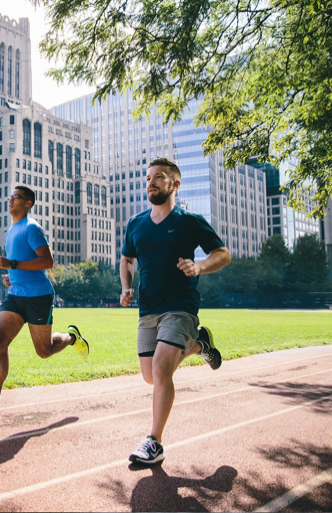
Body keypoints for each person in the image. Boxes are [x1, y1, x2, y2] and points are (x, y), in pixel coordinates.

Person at [121, 158, 231, 464]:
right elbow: (127, 260)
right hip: (148, 308)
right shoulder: (136, 224)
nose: (151, 182)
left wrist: (198, 267)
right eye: (148, 178)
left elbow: (222, 254)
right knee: (151, 376)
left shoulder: (190, 222)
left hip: (181, 306)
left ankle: (153, 442)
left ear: (175, 185)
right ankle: (199, 344)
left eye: (158, 177)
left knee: (160, 369)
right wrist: (126, 287)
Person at [0, 186, 89, 420]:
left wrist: (12, 265)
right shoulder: (11, 231)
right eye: (10, 196)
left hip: (38, 296)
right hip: (16, 294)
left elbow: (47, 261)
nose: (10, 200)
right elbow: (20, 264)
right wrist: (12, 277)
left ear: (28, 203)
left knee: (44, 350)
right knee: (0, 340)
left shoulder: (32, 228)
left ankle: (72, 337)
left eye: (16, 197)